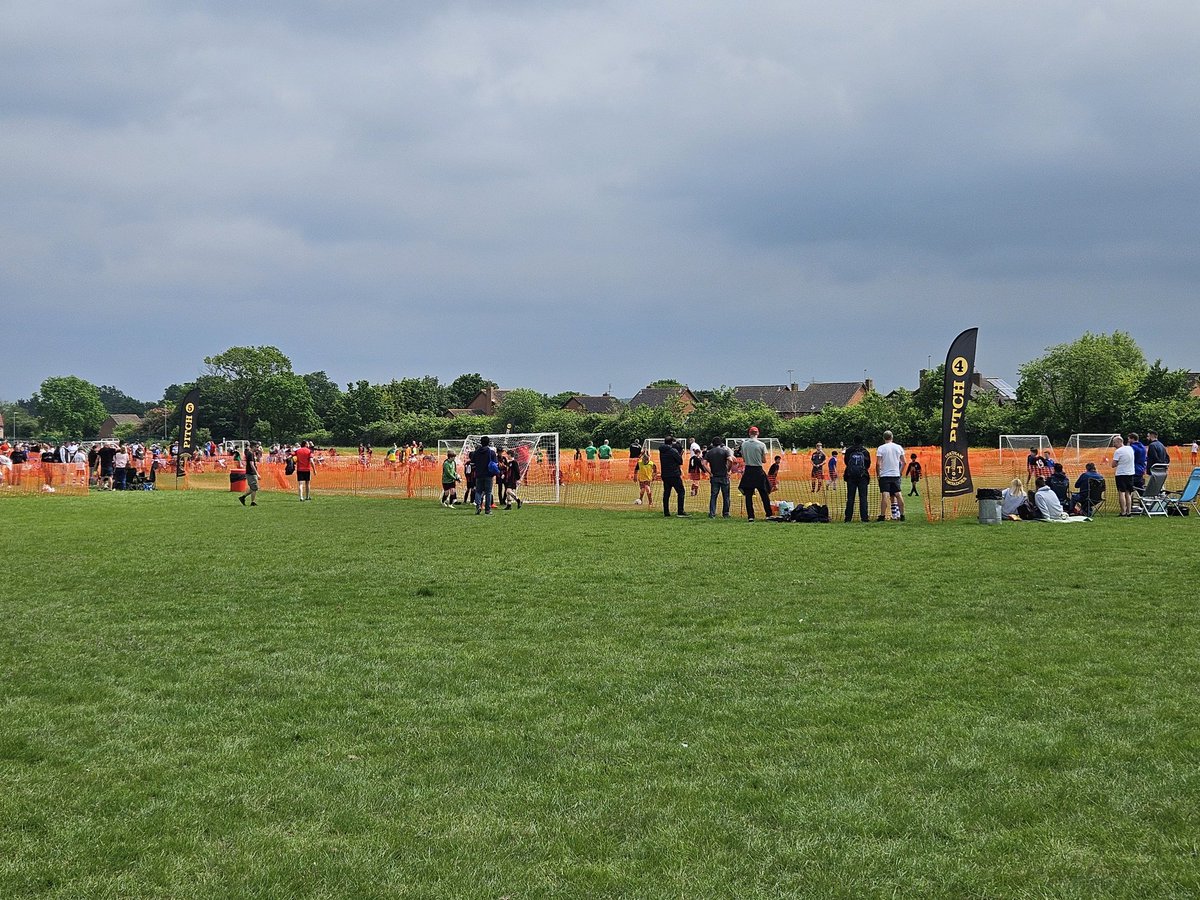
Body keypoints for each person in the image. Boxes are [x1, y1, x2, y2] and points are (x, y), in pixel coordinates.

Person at [737, 426, 772, 522]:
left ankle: (751, 516)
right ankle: (768, 514)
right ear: (758, 434)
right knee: (764, 494)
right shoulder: (761, 445)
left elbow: (744, 459)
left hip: (748, 471)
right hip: (758, 470)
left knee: (748, 495)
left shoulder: (744, 445)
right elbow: (764, 460)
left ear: (749, 433)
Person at [875, 430, 905, 521]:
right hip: (895, 474)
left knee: (885, 495)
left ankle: (882, 515)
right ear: (892, 437)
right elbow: (904, 462)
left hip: (884, 475)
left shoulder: (881, 448)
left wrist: (878, 475)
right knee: (898, 494)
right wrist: (900, 472)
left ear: (884, 438)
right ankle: (902, 514)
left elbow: (878, 464)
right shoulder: (898, 447)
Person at [842, 438, 871, 522]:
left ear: (853, 441)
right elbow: (868, 464)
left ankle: (848, 518)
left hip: (851, 476)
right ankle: (864, 518)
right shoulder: (865, 451)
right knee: (863, 497)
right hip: (863, 476)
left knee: (850, 498)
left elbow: (846, 462)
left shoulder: (849, 451)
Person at [704, 437, 734, 518]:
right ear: (720, 443)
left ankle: (712, 513)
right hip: (724, 476)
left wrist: (710, 472)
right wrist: (728, 470)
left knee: (713, 495)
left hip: (714, 476)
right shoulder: (725, 451)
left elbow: (704, 463)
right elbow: (730, 460)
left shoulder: (709, 453)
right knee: (726, 496)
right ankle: (726, 513)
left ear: (712, 444)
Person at [658, 436, 686, 517]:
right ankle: (680, 511)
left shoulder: (662, 450)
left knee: (666, 493)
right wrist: (680, 454)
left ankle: (666, 512)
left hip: (665, 474)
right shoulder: (673, 451)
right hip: (674, 474)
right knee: (681, 491)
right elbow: (680, 461)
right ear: (671, 442)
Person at [469, 436, 498, 515]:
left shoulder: (476, 452)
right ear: (488, 443)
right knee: (488, 492)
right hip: (488, 475)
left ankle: (478, 506)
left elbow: (472, 464)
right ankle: (487, 510)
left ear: (480, 442)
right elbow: (495, 464)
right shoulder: (491, 452)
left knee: (478, 491)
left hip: (479, 475)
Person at [1110, 435, 1135, 517]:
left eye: (1114, 442)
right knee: (1128, 493)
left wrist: (1117, 463)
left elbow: (1113, 464)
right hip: (1130, 473)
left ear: (1119, 442)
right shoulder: (1130, 448)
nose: (1114, 444)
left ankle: (1123, 512)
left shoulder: (1118, 451)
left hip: (1121, 474)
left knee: (1122, 493)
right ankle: (1129, 512)